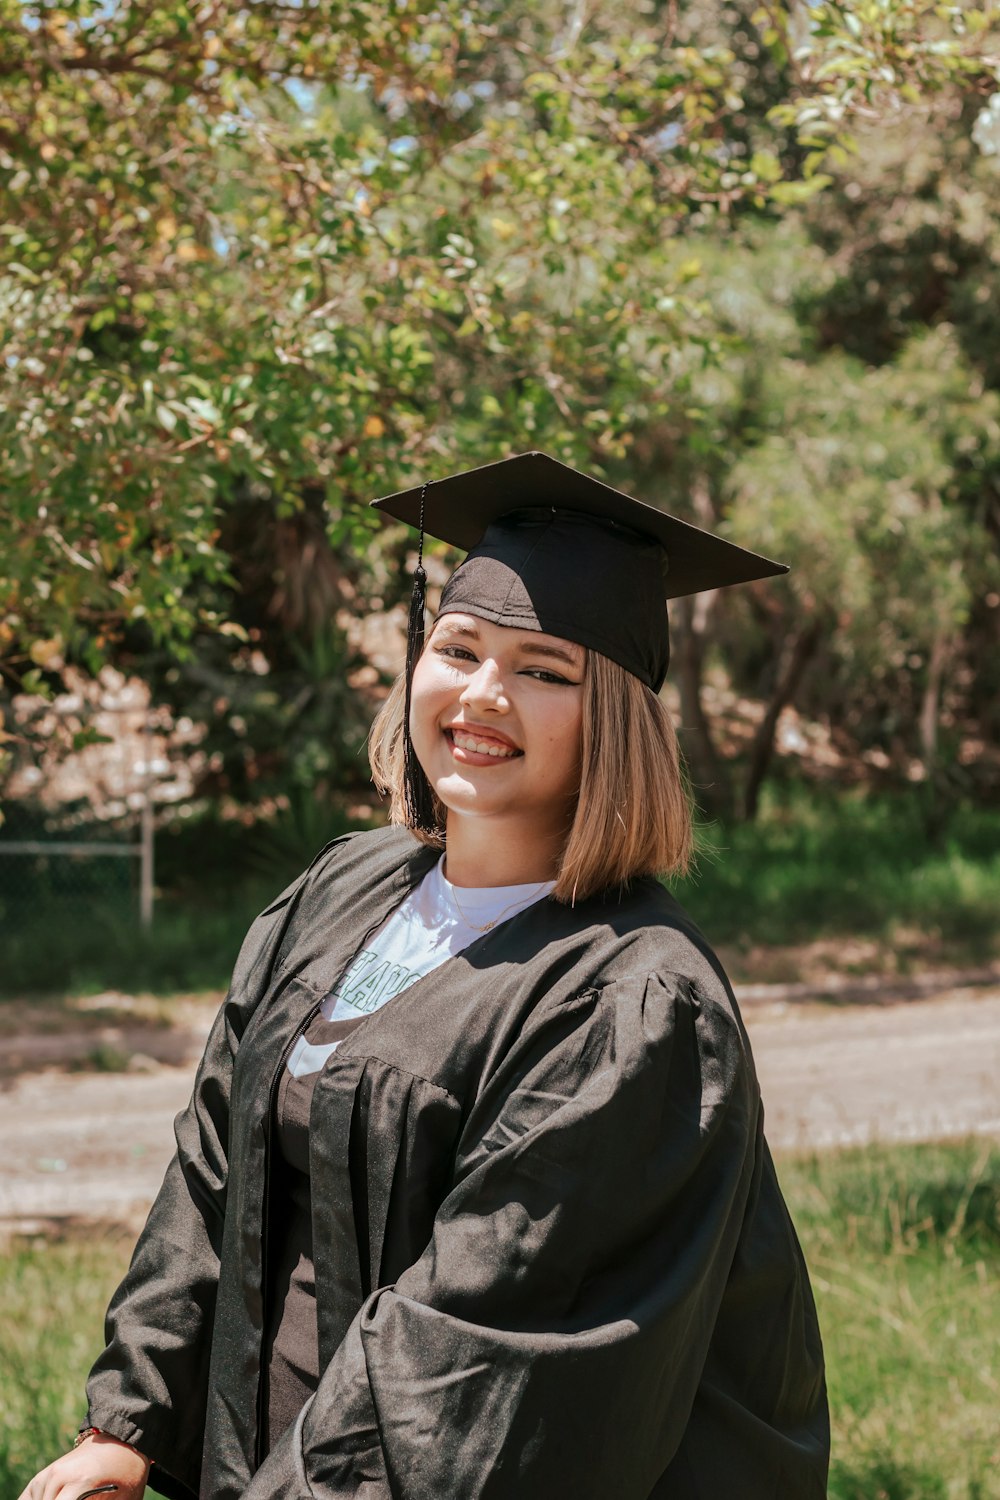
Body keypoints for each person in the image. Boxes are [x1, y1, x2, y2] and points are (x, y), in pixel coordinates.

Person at [21, 452, 829, 1500]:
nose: (483, 694)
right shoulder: (342, 889)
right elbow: (215, 1164)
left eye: (546, 670)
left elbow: (477, 1357)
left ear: (617, 723)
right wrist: (127, 1424)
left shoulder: (627, 1004)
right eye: (459, 648)